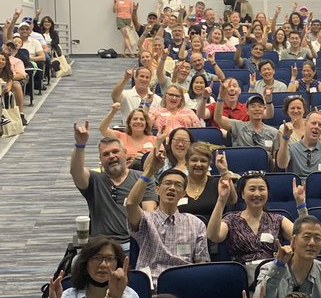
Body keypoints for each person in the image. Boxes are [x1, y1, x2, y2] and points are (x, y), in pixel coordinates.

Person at [125, 149, 208, 284]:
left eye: (178, 185)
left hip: (185, 285)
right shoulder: (146, 220)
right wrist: (150, 170)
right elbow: (131, 204)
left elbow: (201, 264)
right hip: (153, 286)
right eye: (167, 183)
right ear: (158, 190)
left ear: (183, 194)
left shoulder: (196, 224)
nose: (172, 188)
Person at [207, 171, 303, 280]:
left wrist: (301, 205)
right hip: (242, 278)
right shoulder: (231, 219)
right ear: (242, 194)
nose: (257, 194)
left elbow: (303, 237)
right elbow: (213, 235)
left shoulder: (278, 219)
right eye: (252, 189)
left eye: (261, 189)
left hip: (274, 275)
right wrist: (222, 199)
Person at [71, 121, 149, 245]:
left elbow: (149, 214)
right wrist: (80, 145)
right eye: (106, 154)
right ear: (100, 160)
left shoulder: (142, 179)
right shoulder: (94, 180)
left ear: (125, 153)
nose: (111, 156)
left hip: (135, 243)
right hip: (102, 246)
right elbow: (76, 172)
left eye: (115, 151)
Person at [277, 110, 321, 180]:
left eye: (320, 125)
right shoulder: (292, 147)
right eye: (313, 123)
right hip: (297, 188)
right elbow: (281, 165)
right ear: (305, 123)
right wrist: (286, 138)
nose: (316, 127)